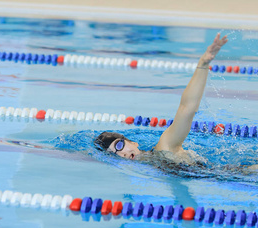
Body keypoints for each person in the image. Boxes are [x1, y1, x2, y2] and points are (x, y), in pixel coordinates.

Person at [95, 33, 228, 165]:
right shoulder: (147, 169)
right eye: (114, 154)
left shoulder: (165, 147)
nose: (122, 154)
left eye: (119, 146)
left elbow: (186, 109)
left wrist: (203, 64)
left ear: (133, 142)